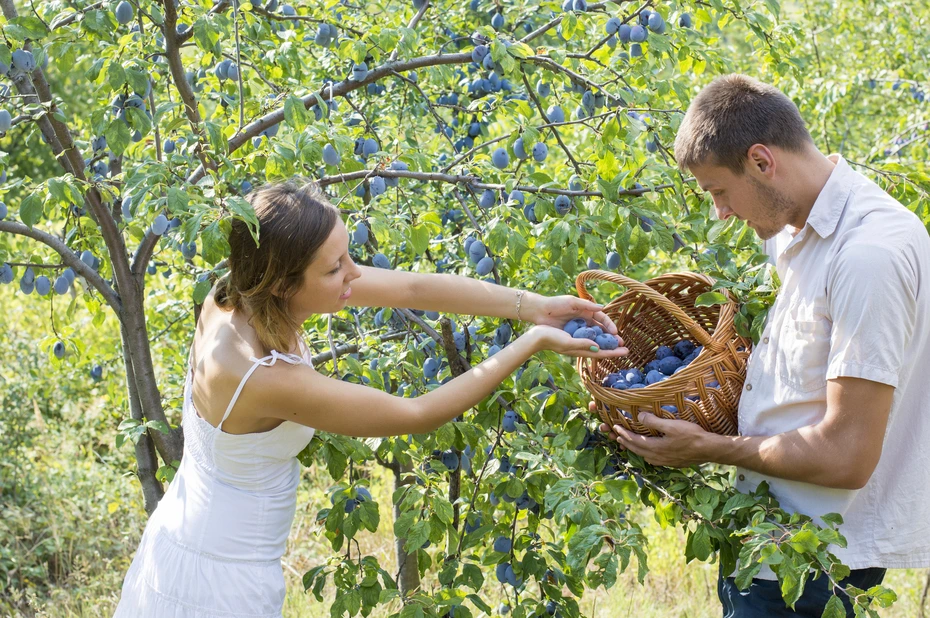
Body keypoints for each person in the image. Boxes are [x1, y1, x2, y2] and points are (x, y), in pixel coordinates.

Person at [113, 179, 628, 617]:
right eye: (336, 269)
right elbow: (417, 413)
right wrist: (533, 342)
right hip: (216, 585)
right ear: (284, 283)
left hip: (193, 541)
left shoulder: (237, 292)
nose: (354, 275)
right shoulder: (258, 375)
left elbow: (412, 291)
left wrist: (534, 307)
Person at [597, 74, 930, 617]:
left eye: (718, 191)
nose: (719, 213)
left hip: (816, 562)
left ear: (760, 161)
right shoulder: (794, 230)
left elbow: (848, 456)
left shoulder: (870, 255)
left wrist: (710, 450)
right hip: (763, 539)